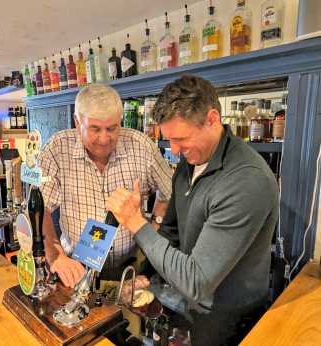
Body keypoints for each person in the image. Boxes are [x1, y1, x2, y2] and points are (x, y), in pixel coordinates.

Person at [106, 74, 279, 345]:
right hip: (189, 307)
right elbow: (171, 230)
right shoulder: (190, 163)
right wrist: (144, 274)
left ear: (212, 119)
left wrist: (136, 222)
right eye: (169, 139)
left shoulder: (246, 180)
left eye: (181, 138)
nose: (174, 151)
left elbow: (197, 282)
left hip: (228, 320)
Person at [38, 83, 172, 299]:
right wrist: (55, 257)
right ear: (77, 121)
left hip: (130, 271)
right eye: (95, 129)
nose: (104, 139)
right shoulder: (56, 149)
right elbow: (39, 208)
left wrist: (155, 226)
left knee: (127, 329)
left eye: (112, 128)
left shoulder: (141, 146)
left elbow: (170, 193)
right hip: (74, 270)